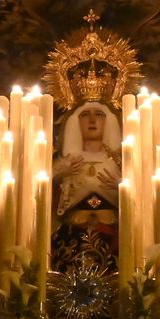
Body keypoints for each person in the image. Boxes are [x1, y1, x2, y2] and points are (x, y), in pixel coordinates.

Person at [50, 100, 121, 271]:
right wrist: (58, 175)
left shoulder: (121, 162)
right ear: (75, 122)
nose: (92, 120)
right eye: (84, 115)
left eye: (99, 115)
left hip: (112, 235)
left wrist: (122, 187)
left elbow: (140, 199)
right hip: (71, 235)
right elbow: (40, 195)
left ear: (108, 121)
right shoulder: (63, 162)